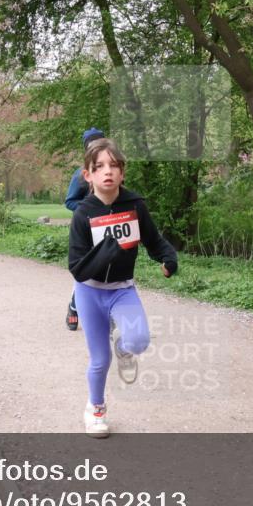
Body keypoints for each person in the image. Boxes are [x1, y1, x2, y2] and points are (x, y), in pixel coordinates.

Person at [68, 138, 178, 438]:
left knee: (139, 340)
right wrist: (105, 252)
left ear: (123, 172)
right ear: (88, 175)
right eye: (99, 166)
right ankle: (96, 409)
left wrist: (168, 257)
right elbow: (76, 267)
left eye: (114, 166)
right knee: (100, 360)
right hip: (89, 292)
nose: (108, 171)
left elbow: (154, 240)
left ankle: (124, 347)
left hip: (122, 289)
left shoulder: (135, 205)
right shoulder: (83, 213)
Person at [64, 127, 105, 331]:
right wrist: (88, 208)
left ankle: (105, 314)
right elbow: (69, 202)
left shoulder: (110, 170)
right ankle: (74, 307)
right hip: (84, 229)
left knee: (108, 269)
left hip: (107, 229)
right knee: (86, 269)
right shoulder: (81, 175)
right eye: (93, 145)